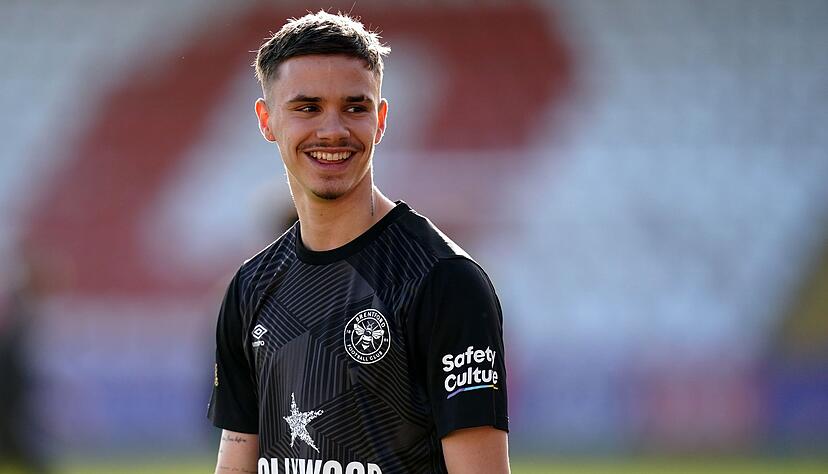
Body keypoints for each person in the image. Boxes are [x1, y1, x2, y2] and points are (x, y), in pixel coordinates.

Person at [208, 11, 509, 474]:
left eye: (354, 107)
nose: (333, 130)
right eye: (307, 107)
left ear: (381, 119)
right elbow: (236, 464)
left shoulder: (443, 281)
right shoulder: (250, 287)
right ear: (267, 120)